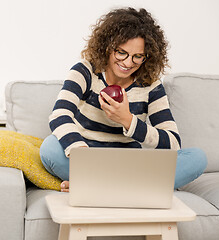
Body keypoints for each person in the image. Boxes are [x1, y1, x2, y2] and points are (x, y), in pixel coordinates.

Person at [40, 7, 207, 192]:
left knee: (197, 158)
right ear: (107, 46)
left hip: (129, 164)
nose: (128, 63)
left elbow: (173, 143)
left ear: (147, 56)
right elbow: (60, 115)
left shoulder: (150, 85)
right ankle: (127, 189)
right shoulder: (85, 71)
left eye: (138, 57)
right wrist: (83, 156)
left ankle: (97, 187)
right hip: (87, 157)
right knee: (50, 148)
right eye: (121, 53)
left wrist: (127, 120)